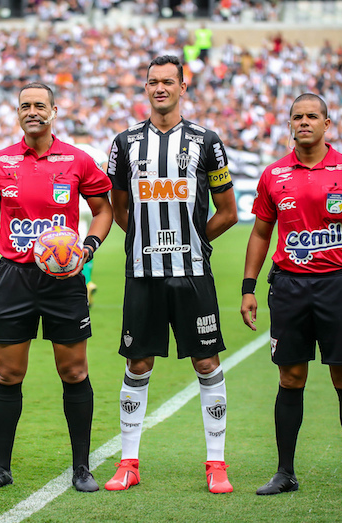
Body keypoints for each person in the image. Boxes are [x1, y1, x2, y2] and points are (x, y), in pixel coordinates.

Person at [0, 82, 113, 492]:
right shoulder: (0, 162)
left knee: (74, 370)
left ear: (54, 111)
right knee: (8, 373)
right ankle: (0, 469)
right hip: (14, 278)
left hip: (64, 280)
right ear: (18, 113)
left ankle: (81, 468)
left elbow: (103, 210)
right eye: (25, 106)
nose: (32, 111)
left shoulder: (78, 160)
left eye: (40, 105)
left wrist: (88, 247)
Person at [105, 55, 238, 494]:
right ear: (145, 88)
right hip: (143, 273)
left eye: (168, 81)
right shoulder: (124, 143)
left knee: (206, 362)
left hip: (193, 272)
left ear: (183, 86)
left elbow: (228, 212)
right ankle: (128, 463)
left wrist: (194, 240)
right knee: (138, 363)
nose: (160, 88)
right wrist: (147, 241)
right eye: (152, 82)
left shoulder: (207, 141)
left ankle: (216, 464)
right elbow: (119, 209)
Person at [241, 93, 342, 499]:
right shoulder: (273, 174)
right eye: (297, 117)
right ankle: (285, 472)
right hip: (289, 287)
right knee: (290, 377)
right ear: (290, 124)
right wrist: (249, 288)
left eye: (312, 116)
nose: (304, 122)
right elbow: (261, 233)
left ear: (326, 124)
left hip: (338, 286)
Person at [71, 133, 109, 307]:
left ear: (74, 137)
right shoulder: (98, 152)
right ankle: (88, 279)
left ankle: (85, 282)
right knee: (88, 244)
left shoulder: (69, 151)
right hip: (94, 203)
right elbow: (107, 176)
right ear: (88, 137)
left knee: (77, 246)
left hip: (75, 204)